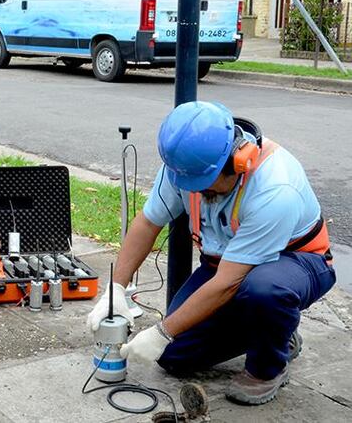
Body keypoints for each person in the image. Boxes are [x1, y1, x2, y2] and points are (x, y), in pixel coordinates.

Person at [86, 101, 336, 405]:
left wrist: (162, 331)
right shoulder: (187, 165)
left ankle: (269, 364)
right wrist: (116, 289)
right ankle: (270, 332)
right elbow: (148, 222)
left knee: (265, 290)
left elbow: (228, 283)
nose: (198, 192)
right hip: (224, 264)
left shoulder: (275, 188)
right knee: (174, 356)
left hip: (295, 262)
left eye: (205, 186)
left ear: (237, 161)